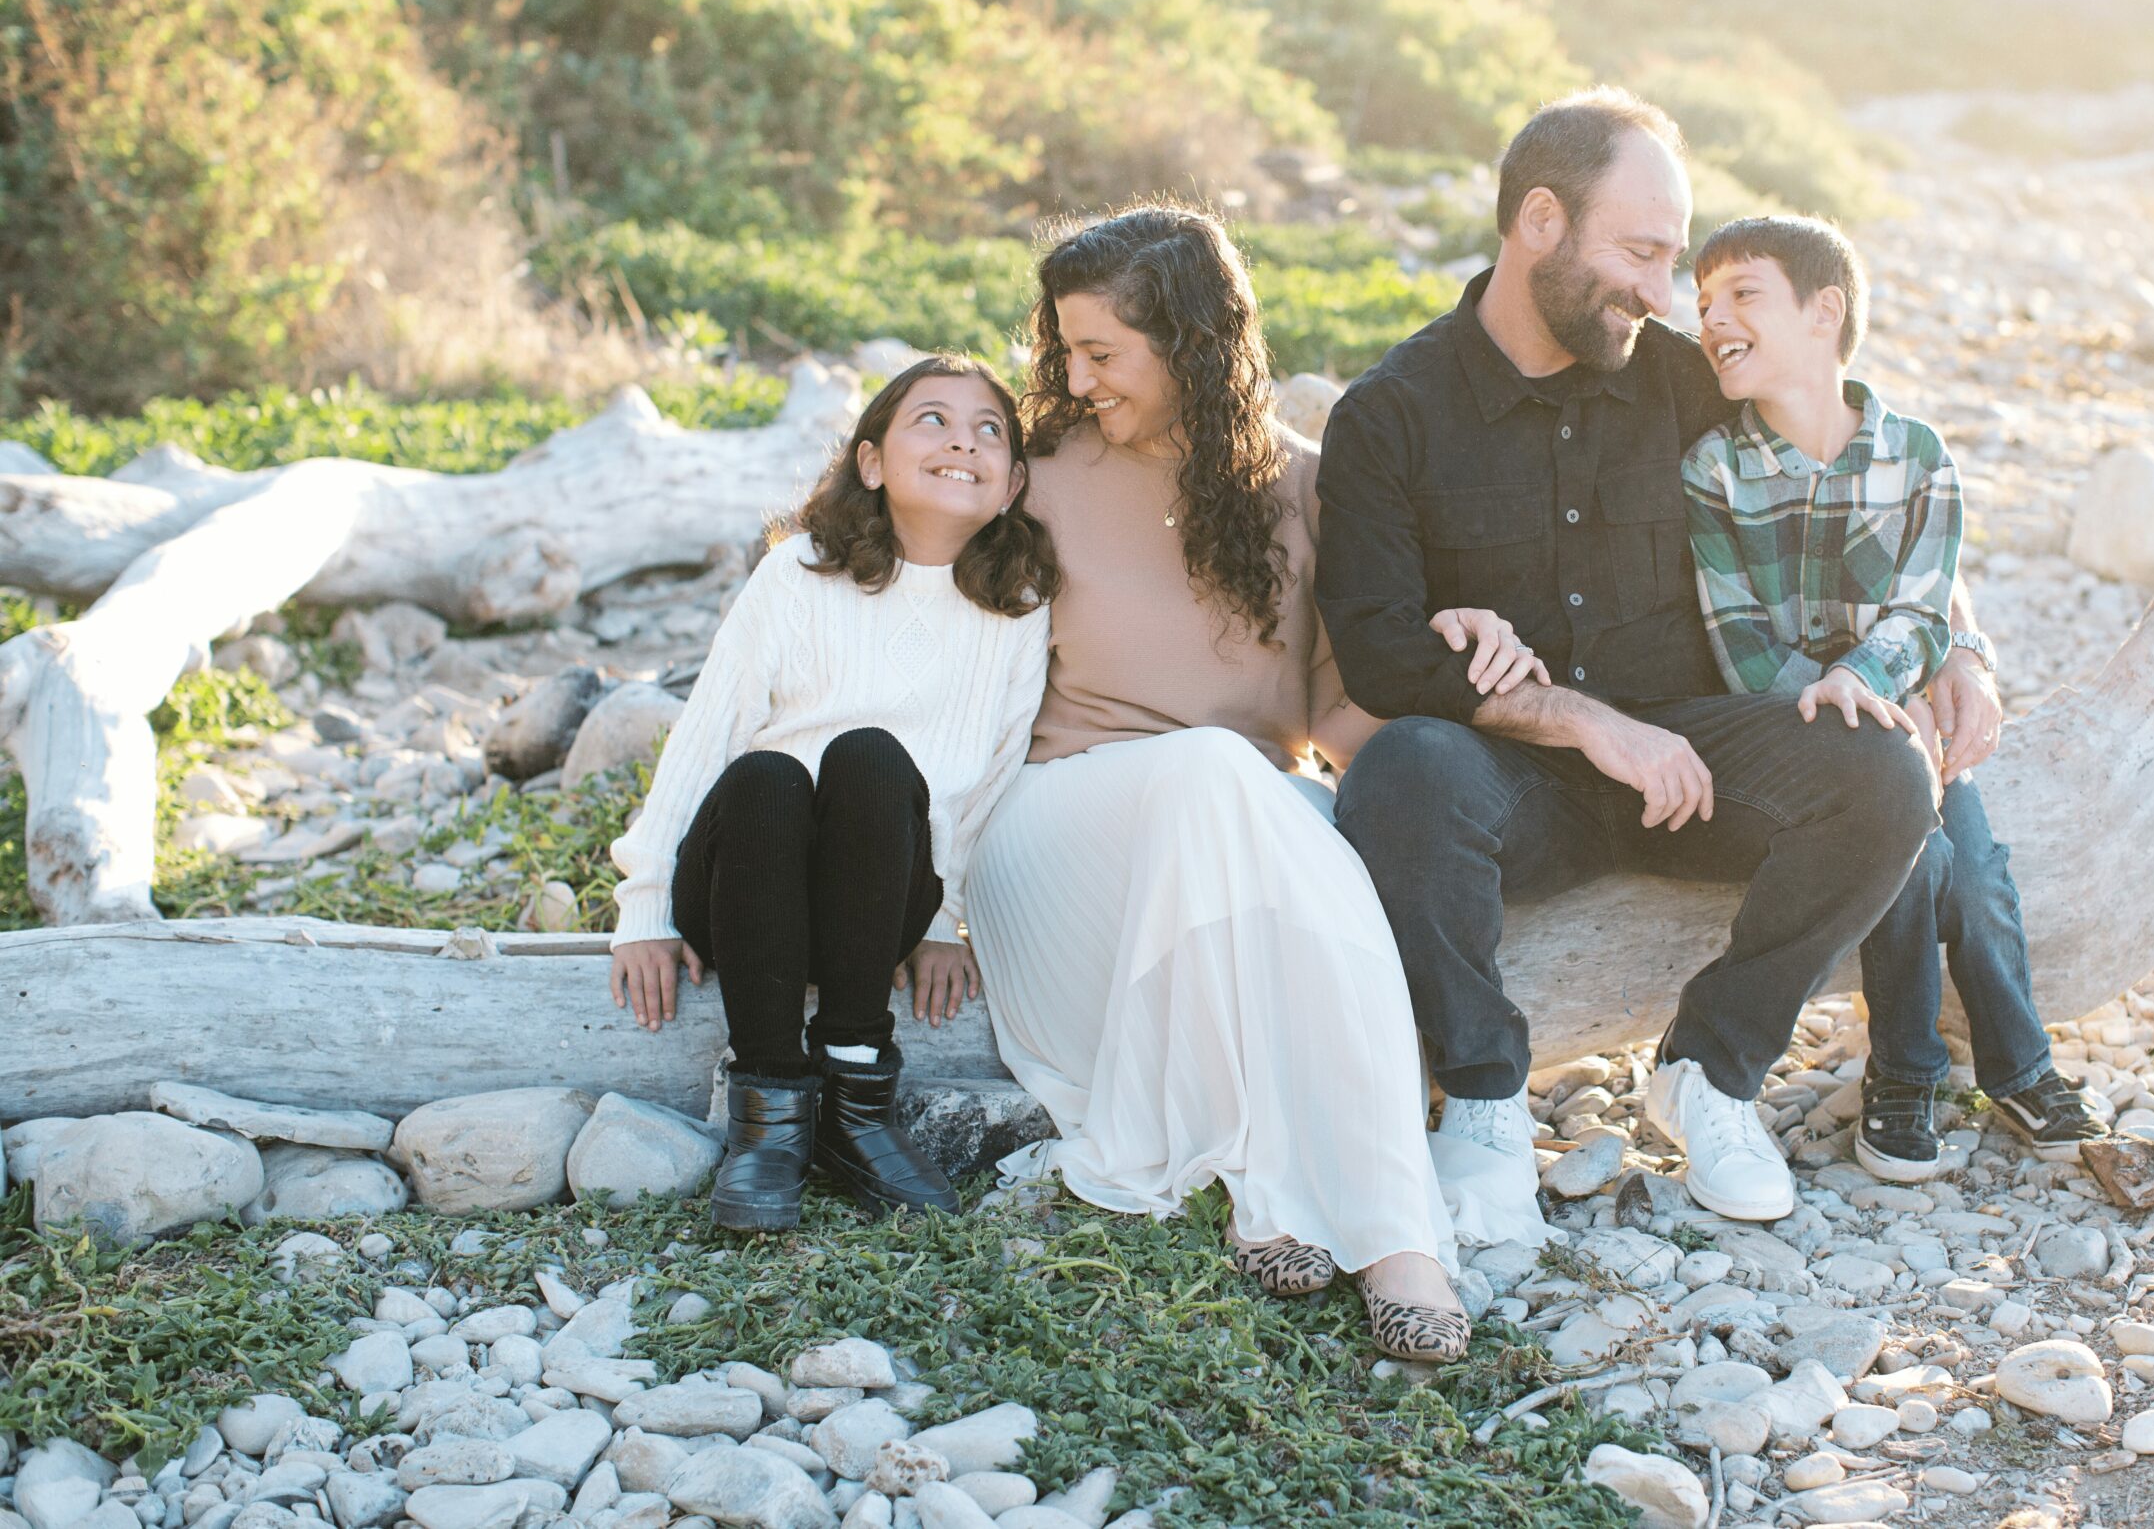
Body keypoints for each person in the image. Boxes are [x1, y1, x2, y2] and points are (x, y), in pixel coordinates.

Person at [1317, 87, 2004, 1225]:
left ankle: (1711, 1072)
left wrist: (1962, 643)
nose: (1661, 292)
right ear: (1541, 221)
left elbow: (1859, 490)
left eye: (1673, 261)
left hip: (1699, 766)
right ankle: (1481, 1098)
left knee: (1886, 772)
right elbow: (1381, 655)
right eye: (1640, 254)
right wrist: (1584, 720)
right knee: (1401, 772)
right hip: (1515, 783)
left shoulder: (1682, 379)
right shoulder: (1391, 414)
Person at [962, 206, 1542, 1364]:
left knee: (1285, 823)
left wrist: (1457, 667)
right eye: (1064, 351)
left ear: (1189, 344)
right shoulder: (1035, 478)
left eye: (1102, 352)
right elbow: (960, 705)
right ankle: (1389, 1226)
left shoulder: (1308, 488)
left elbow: (1336, 719)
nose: (1075, 381)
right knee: (1217, 771)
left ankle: (1314, 1213)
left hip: (1247, 831)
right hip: (1064, 846)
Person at [1681, 214, 2109, 1180]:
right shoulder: (1712, 470)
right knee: (1910, 860)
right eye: (1703, 303)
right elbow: (1739, 644)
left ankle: (2022, 1067)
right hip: (1797, 736)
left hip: (1905, 710)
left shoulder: (1918, 456)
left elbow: (1924, 610)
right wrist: (1850, 707)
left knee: (1977, 874)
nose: (1712, 319)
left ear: (1824, 311)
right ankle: (1906, 1071)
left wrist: (1875, 684)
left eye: (1742, 294)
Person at [605, 356, 1055, 1231]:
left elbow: (990, 780)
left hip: (878, 902)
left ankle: (855, 1107)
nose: (964, 440)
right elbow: (706, 736)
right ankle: (768, 1116)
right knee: (770, 774)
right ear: (871, 462)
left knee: (875, 760)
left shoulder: (1016, 607)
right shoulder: (799, 574)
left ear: (1011, 486)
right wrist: (646, 906)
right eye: (933, 419)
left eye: (990, 430)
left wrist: (943, 921)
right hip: (749, 884)